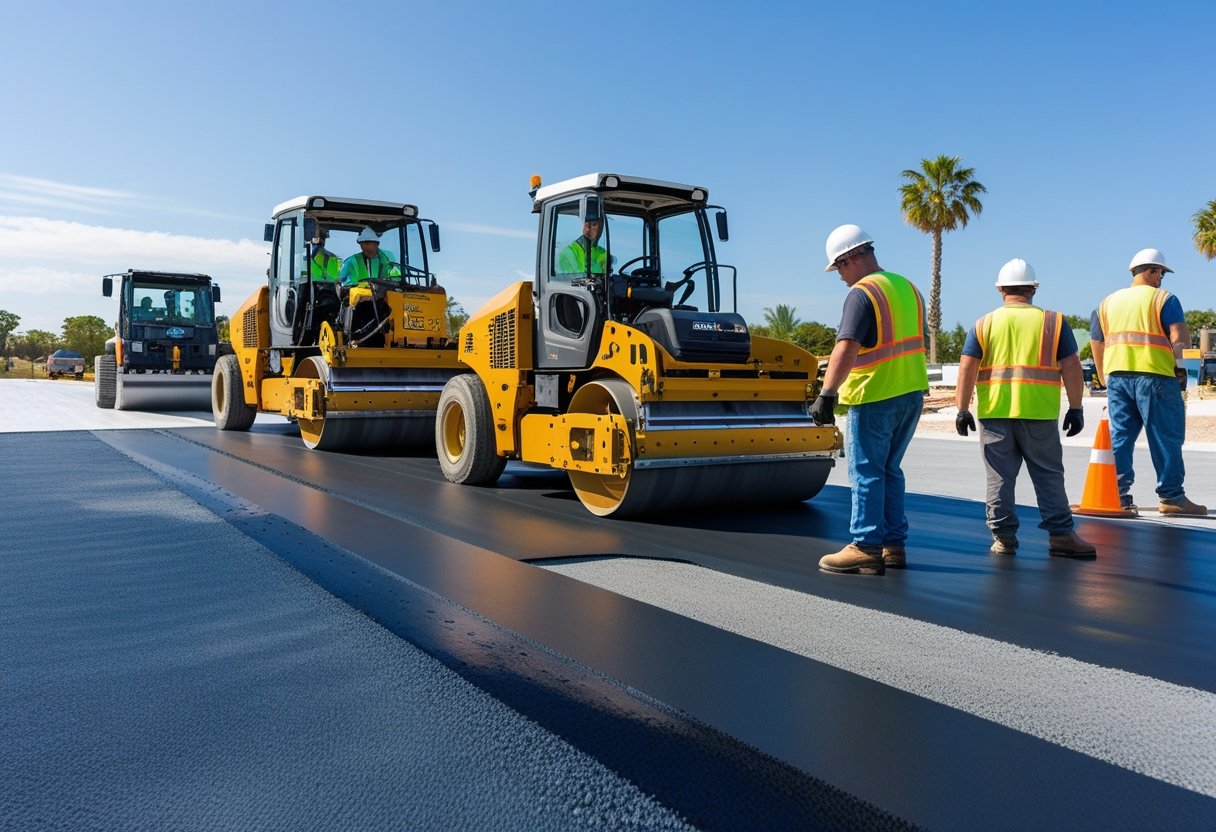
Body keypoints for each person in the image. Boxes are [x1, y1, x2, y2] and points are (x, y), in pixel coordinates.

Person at [954, 259, 1096, 558]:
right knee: (1048, 476)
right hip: (1039, 413)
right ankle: (1061, 537)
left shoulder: (984, 323)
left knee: (999, 478)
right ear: (1033, 288)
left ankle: (1003, 538)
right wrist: (1076, 407)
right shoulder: (1053, 322)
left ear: (1000, 289)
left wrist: (962, 408)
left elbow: (968, 366)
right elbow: (1070, 365)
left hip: (994, 414)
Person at [811, 224, 929, 575]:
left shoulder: (863, 294)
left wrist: (826, 394)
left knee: (866, 472)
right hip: (910, 394)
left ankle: (864, 546)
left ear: (850, 259)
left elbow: (846, 346)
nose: (841, 277)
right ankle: (893, 545)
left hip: (875, 395)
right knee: (890, 470)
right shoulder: (907, 288)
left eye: (839, 269)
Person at [1090, 248, 1206, 516]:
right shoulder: (1164, 299)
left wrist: (1104, 375)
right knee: (1166, 437)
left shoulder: (1106, 303)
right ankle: (1172, 497)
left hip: (1118, 378)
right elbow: (1179, 338)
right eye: (1161, 273)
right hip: (1155, 376)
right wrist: (1183, 372)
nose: (1161, 279)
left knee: (1120, 437)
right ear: (1152, 271)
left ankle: (1117, 496)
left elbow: (1097, 341)